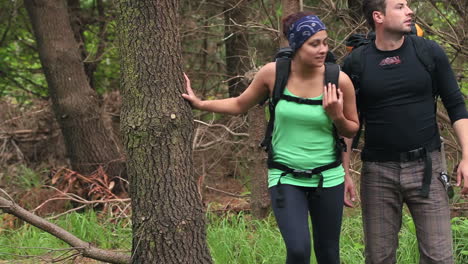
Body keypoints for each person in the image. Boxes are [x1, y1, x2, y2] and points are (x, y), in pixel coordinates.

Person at [183, 12, 359, 264]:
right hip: (285, 176)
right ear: (297, 45)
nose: (323, 49)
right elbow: (239, 103)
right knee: (298, 251)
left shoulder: (338, 80)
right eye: (314, 43)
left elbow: (352, 129)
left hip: (328, 177)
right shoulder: (272, 74)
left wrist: (337, 116)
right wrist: (200, 103)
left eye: (325, 42)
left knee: (329, 254)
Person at [342, 0, 468, 263]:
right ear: (378, 16)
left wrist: (467, 156)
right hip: (378, 171)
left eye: (408, 5)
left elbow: (456, 105)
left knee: (440, 257)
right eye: (400, 6)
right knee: (379, 257)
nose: (409, 11)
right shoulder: (356, 63)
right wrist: (344, 173)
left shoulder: (428, 51)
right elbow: (349, 124)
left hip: (428, 166)